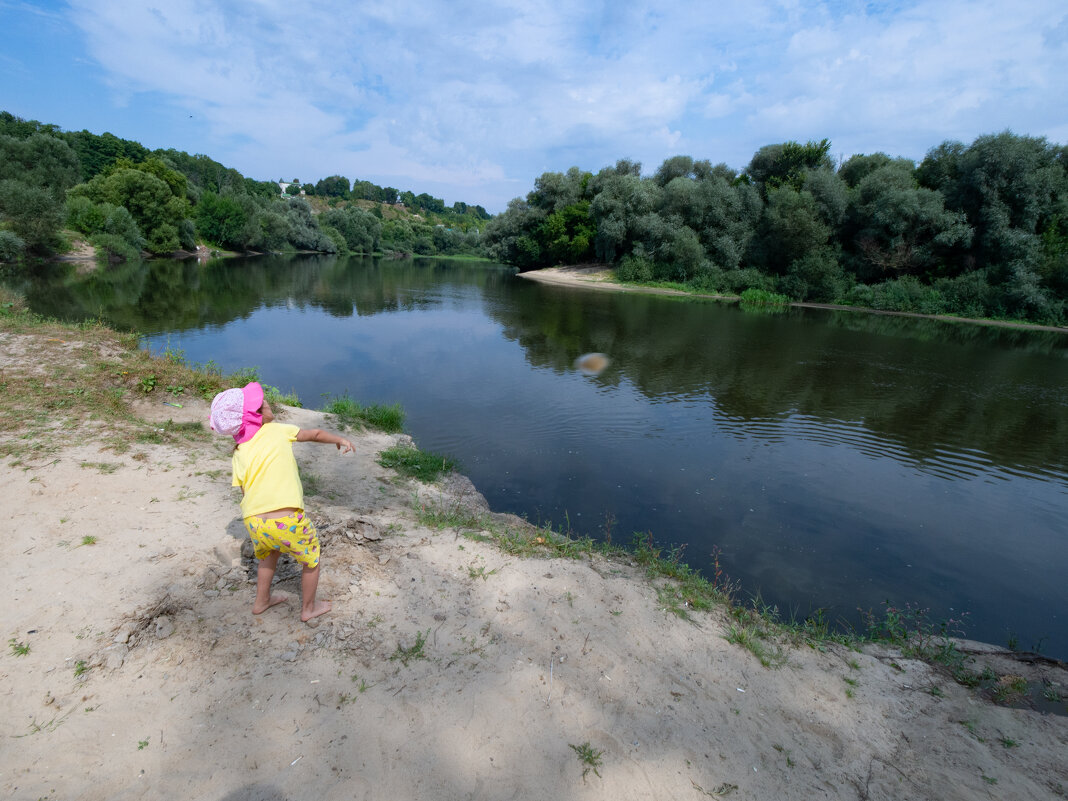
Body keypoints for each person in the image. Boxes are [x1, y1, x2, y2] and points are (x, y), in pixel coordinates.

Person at [209, 382, 354, 622]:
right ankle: (309, 608)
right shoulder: (276, 430)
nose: (266, 402)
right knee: (311, 558)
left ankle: (261, 601)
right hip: (287, 519)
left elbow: (246, 492)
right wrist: (339, 439)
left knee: (268, 556)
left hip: (255, 521)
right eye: (261, 403)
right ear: (256, 416)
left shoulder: (239, 450)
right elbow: (314, 434)